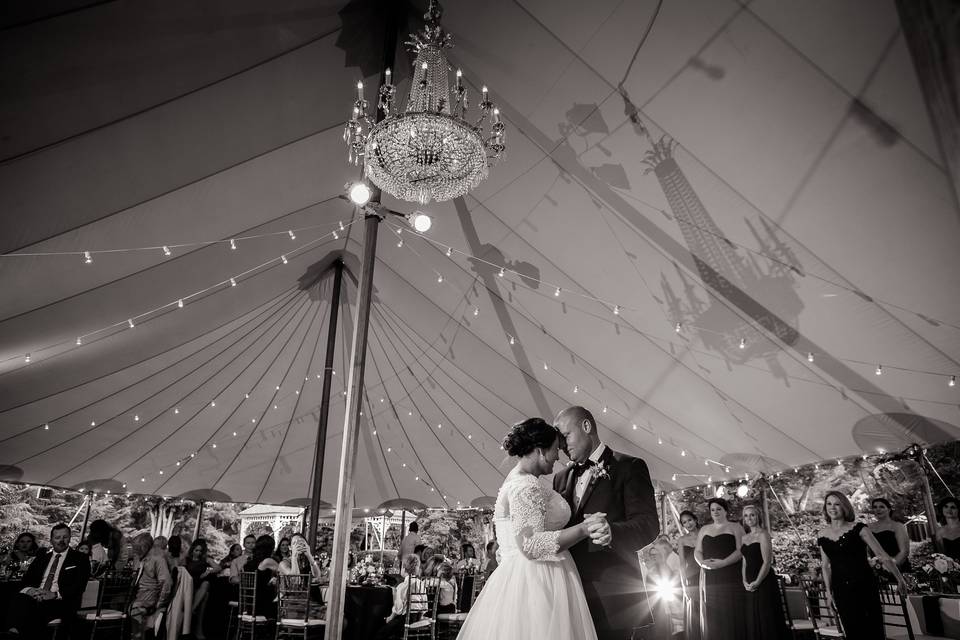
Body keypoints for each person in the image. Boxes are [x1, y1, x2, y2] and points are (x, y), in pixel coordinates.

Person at [457, 417, 605, 640]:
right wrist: (584, 529)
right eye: (555, 449)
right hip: (537, 581)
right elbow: (530, 545)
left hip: (531, 576)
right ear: (540, 451)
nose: (558, 456)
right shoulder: (525, 486)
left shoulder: (520, 480)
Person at [553, 406, 659, 640]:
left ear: (586, 426)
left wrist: (613, 533)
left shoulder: (629, 467)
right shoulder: (560, 479)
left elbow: (649, 524)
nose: (561, 446)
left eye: (565, 436)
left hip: (613, 596)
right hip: (570, 591)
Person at [817, 491, 907, 640]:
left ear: (845, 507)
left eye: (837, 504)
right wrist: (828, 591)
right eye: (829, 504)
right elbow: (825, 566)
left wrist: (900, 578)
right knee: (852, 631)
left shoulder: (860, 528)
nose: (833, 507)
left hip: (864, 585)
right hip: (840, 589)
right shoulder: (821, 534)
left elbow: (882, 555)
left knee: (872, 630)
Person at [2, 523, 90, 639]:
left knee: (33, 611)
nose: (61, 541)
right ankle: (13, 632)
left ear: (70, 538)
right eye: (57, 538)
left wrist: (54, 594)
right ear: (51, 540)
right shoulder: (42, 558)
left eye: (65, 537)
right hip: (37, 597)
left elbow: (79, 586)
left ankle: (15, 633)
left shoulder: (80, 559)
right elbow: (26, 581)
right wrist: (30, 590)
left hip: (61, 601)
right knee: (16, 598)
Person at [695, 497, 746, 640]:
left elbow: (741, 550)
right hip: (709, 575)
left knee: (729, 609)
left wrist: (723, 563)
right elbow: (697, 551)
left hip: (730, 573)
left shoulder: (735, 527)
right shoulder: (704, 529)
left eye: (719, 509)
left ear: (725, 511)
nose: (715, 512)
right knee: (712, 610)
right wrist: (702, 563)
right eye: (712, 510)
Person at [740, 504, 789, 640]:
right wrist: (744, 581)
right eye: (746, 515)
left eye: (752, 515)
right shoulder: (744, 537)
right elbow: (744, 562)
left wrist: (757, 582)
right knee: (752, 617)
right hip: (749, 581)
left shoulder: (764, 534)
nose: (749, 518)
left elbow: (767, 562)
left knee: (766, 617)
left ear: (758, 516)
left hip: (764, 579)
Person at [129, 532, 173, 640]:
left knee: (134, 611)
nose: (134, 551)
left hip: (149, 597)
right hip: (139, 594)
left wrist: (159, 603)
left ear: (144, 547)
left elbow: (167, 583)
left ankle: (138, 635)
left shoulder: (158, 558)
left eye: (136, 548)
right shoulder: (142, 557)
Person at [377, 553, 428, 639]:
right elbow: (424, 604)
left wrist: (390, 617)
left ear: (403, 568)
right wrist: (421, 615)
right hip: (418, 616)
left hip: (405, 619)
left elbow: (399, 609)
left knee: (380, 633)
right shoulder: (421, 583)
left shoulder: (402, 586)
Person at [642, 537, 682, 639]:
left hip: (671, 603)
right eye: (652, 555)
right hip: (657, 605)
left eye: (656, 554)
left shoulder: (667, 566)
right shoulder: (650, 571)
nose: (654, 556)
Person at [185, 539, 219, 639]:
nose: (198, 553)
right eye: (196, 550)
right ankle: (198, 630)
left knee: (206, 584)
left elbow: (218, 568)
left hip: (199, 584)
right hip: (189, 584)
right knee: (205, 596)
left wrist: (208, 572)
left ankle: (191, 611)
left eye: (200, 551)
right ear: (192, 550)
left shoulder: (205, 559)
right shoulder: (187, 558)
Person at [867, 497, 911, 573]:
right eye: (875, 507)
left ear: (889, 509)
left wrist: (891, 567)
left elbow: (904, 551)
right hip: (876, 569)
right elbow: (866, 550)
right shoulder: (867, 527)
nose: (878, 509)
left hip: (898, 568)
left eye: (881, 507)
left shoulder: (897, 526)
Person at [676, 510, 701, 640]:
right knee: (695, 613)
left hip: (708, 575)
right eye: (684, 522)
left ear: (695, 519)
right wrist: (684, 586)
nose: (688, 524)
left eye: (689, 520)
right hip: (692, 579)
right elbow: (681, 565)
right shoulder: (681, 540)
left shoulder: (705, 534)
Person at [243, 535, 279, 619]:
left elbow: (260, 582)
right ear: (270, 548)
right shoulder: (268, 561)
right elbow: (287, 574)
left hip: (251, 604)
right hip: (263, 605)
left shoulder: (251, 561)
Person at [936, 497, 960, 561]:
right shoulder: (940, 531)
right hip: (952, 568)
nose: (948, 510)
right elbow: (942, 556)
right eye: (946, 506)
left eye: (953, 507)